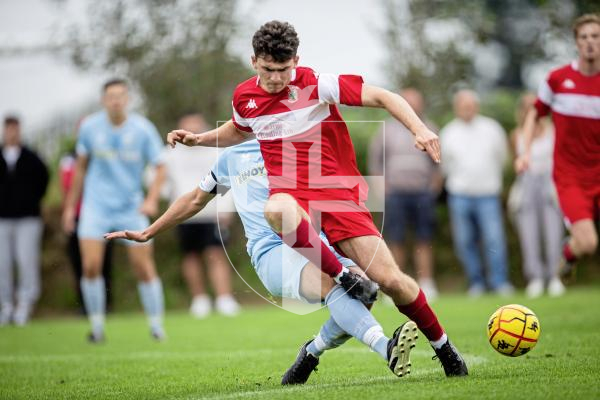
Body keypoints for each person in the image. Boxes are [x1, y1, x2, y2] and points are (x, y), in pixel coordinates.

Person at [167, 21, 467, 377]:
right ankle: (342, 276)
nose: (276, 79)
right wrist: (199, 139)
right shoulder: (244, 98)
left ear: (296, 60)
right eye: (268, 70)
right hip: (292, 198)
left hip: (338, 196)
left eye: (283, 70)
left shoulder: (315, 83)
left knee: (392, 281)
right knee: (275, 207)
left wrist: (419, 128)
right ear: (253, 62)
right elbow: (238, 128)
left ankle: (445, 349)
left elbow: (384, 97)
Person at [106, 140, 420, 382]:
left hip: (317, 241)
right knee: (332, 283)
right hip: (271, 252)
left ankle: (312, 351)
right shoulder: (233, 157)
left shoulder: (302, 145)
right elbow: (193, 199)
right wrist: (150, 231)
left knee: (361, 292)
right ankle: (387, 348)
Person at [62, 78, 167, 342]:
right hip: (95, 207)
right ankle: (97, 328)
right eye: (111, 96)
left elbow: (160, 166)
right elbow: (81, 168)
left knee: (143, 266)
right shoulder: (89, 128)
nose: (116, 100)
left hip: (131, 207)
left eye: (121, 95)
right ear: (103, 100)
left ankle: (156, 326)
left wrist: (151, 199)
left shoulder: (143, 129)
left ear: (128, 99)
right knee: (91, 266)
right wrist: (68, 209)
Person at [515, 14, 600, 275]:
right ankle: (569, 252)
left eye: (595, 36)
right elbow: (534, 113)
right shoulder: (557, 80)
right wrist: (525, 152)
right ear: (576, 43)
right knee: (588, 243)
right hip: (570, 176)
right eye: (583, 37)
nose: (590, 42)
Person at [163, 112, 240, 317]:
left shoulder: (215, 150)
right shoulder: (170, 153)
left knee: (215, 253)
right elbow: (159, 180)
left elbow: (226, 179)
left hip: (212, 212)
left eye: (196, 125)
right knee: (190, 255)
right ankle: (199, 300)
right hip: (184, 213)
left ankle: (224, 298)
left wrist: (225, 207)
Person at [369, 88, 442, 300]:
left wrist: (433, 187)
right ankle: (395, 286)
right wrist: (382, 189)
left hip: (422, 193)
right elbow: (376, 162)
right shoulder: (386, 130)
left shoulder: (430, 128)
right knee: (395, 239)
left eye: (415, 102)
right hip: (395, 194)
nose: (412, 106)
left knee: (424, 239)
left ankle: (427, 283)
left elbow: (438, 163)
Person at [440, 89, 513, 297]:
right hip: (460, 194)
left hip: (488, 194)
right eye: (463, 106)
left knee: (494, 239)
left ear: (476, 106)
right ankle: (476, 283)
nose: (467, 109)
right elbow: (445, 165)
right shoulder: (449, 132)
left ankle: (500, 282)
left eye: (470, 105)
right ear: (457, 108)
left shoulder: (492, 128)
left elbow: (503, 158)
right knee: (465, 241)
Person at [510, 93, 565, 298]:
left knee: (553, 234)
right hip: (527, 186)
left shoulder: (554, 131)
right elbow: (516, 162)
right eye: (527, 106)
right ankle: (535, 278)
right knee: (529, 235)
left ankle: (555, 277)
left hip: (550, 186)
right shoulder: (517, 134)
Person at [0, 115, 49, 326]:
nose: (12, 133)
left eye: (15, 129)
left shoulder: (31, 157)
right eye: (9, 129)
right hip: (2, 218)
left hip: (28, 218)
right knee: (3, 263)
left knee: (26, 260)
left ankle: (25, 305)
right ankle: (6, 305)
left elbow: (43, 179)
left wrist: (30, 201)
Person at [59, 133, 114, 313]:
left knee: (104, 262)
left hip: (103, 215)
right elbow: (67, 186)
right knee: (81, 264)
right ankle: (85, 305)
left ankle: (106, 304)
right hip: (80, 216)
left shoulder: (105, 157)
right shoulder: (69, 160)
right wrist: (69, 210)